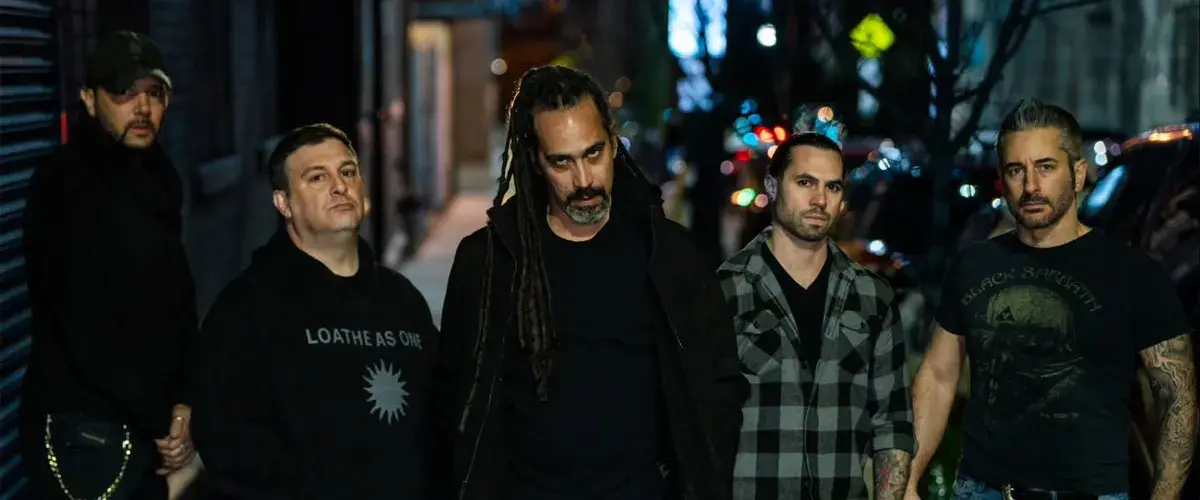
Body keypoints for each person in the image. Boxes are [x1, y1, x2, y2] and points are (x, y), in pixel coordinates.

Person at [428, 66, 749, 500]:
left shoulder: (669, 255)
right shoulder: (488, 261)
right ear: (536, 161)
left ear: (613, 143)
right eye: (562, 161)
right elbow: (453, 398)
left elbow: (718, 380)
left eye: (593, 154)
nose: (583, 181)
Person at [907, 100, 1197, 500]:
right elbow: (939, 376)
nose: (1030, 186)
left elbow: (1176, 395)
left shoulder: (1133, 273)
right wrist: (906, 481)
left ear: (1077, 174)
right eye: (1016, 170)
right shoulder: (974, 265)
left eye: (1045, 167)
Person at [190, 124, 438, 499]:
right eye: (317, 177)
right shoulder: (245, 309)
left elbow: (442, 416)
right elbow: (229, 446)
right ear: (283, 203)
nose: (339, 187)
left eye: (348, 172)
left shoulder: (402, 300)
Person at [20, 30, 198, 499]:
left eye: (154, 93)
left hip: (146, 429)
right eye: (123, 93)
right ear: (89, 99)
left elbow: (176, 306)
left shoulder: (158, 179)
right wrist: (161, 420)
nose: (142, 108)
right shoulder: (65, 184)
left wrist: (184, 404)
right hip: (85, 434)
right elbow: (87, 328)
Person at [719, 133, 914, 500]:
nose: (820, 200)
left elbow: (892, 423)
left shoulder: (872, 296)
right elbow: (699, 423)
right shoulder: (726, 291)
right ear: (773, 186)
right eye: (805, 182)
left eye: (833, 187)